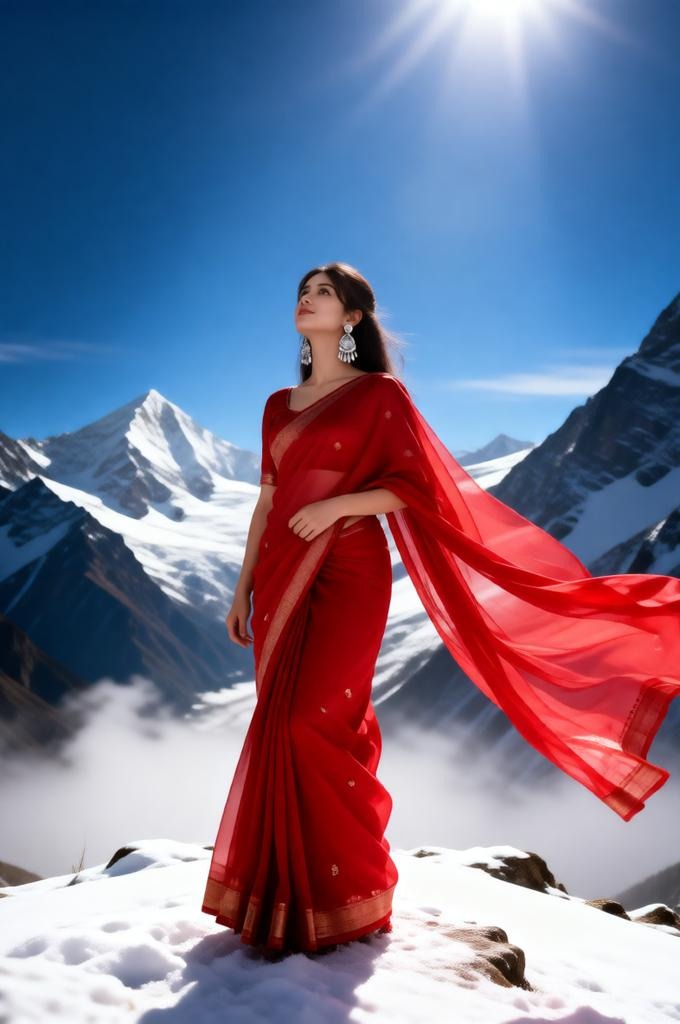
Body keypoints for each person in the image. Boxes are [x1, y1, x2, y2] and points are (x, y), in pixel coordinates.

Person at [201, 261, 680, 956]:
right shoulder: (280, 403)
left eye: (323, 294)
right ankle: (281, 901)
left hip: (349, 568)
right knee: (279, 725)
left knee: (314, 722)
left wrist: (340, 503)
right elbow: (269, 502)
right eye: (302, 293)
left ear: (354, 318)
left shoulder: (380, 396)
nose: (306, 302)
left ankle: (348, 894)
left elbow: (411, 489)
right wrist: (243, 587)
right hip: (279, 573)